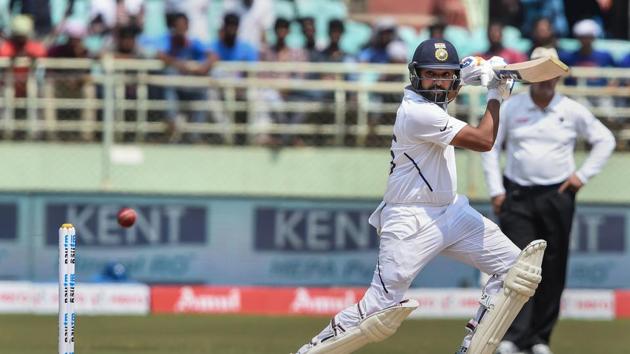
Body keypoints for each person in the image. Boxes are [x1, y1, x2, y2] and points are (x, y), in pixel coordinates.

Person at [294, 39, 545, 354]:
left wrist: (471, 72)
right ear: (416, 75)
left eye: (444, 75)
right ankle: (309, 351)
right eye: (431, 74)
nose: (438, 82)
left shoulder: (433, 100)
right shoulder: (417, 113)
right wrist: (494, 92)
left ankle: (473, 345)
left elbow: (447, 91)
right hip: (409, 219)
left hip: (451, 213)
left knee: (515, 270)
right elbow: (483, 140)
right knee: (379, 311)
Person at [481, 47, 616, 354]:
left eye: (550, 74)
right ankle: (513, 336)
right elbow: (491, 146)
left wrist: (581, 177)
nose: (544, 81)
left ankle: (540, 338)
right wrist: (495, 190)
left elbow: (605, 139)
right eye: (538, 73)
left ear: (557, 76)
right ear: (530, 76)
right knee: (517, 267)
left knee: (553, 267)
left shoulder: (570, 109)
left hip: (557, 196)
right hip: (517, 195)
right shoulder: (512, 107)